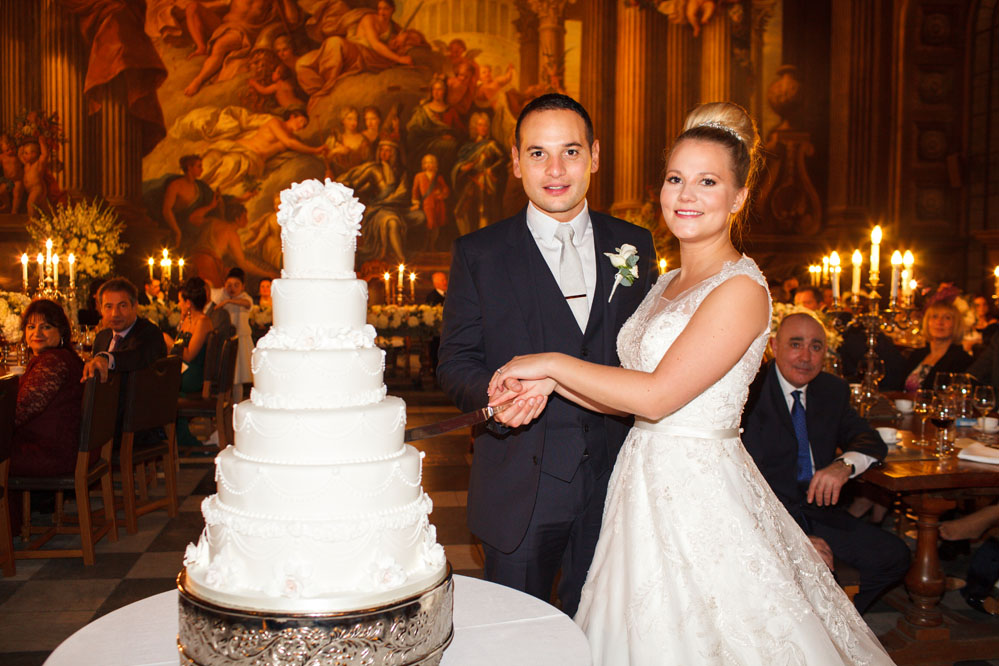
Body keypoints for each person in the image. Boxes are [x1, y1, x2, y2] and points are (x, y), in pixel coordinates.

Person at [485, 102, 893, 663]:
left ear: (739, 196)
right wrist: (550, 387)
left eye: (708, 181)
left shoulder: (741, 289)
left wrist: (552, 363)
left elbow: (658, 395)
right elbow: (630, 389)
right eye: (676, 179)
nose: (686, 195)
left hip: (700, 490)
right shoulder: (666, 279)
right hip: (641, 480)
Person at [438, 93, 657, 618]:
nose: (555, 170)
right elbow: (454, 361)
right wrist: (493, 392)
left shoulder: (635, 244)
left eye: (571, 151)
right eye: (538, 153)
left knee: (605, 633)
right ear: (515, 162)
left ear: (595, 156)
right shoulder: (479, 253)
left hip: (617, 482)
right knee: (519, 637)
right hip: (520, 487)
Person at [742, 313, 910, 613]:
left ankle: (835, 625)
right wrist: (795, 539)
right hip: (764, 514)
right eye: (796, 344)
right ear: (774, 347)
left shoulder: (831, 390)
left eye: (816, 346)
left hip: (819, 510)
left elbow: (870, 441)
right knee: (808, 568)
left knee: (894, 556)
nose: (806, 356)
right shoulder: (749, 393)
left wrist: (842, 465)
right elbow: (740, 477)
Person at [83, 278, 168, 384]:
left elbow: (136, 356)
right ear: (101, 310)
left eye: (122, 306)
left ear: (135, 306)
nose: (115, 314)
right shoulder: (102, 337)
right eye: (109, 307)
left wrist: (107, 359)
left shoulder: (150, 333)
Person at [170, 277, 213, 448]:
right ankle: (178, 439)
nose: (178, 304)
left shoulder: (203, 321)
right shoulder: (186, 321)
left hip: (195, 374)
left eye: (180, 301)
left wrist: (168, 342)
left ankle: (183, 442)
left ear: (188, 303)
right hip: (183, 370)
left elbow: (188, 355)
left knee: (166, 392)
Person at [902, 300, 971, 391]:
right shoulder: (917, 355)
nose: (939, 322)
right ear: (927, 322)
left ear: (956, 324)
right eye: (934, 317)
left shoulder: (962, 361)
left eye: (947, 318)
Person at [216, 267, 254, 398]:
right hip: (226, 340)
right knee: (228, 377)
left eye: (236, 285)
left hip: (242, 341)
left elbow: (247, 304)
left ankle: (237, 405)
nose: (232, 288)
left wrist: (228, 301)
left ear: (243, 286)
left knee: (238, 377)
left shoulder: (245, 298)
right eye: (229, 285)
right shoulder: (222, 297)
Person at [410, 153, 449, 251]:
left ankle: (432, 245)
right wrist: (416, 203)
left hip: (438, 204)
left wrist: (441, 194)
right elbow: (415, 191)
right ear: (423, 164)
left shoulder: (438, 176)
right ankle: (425, 245)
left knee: (436, 226)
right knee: (428, 224)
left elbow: (446, 189)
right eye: (426, 163)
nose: (429, 165)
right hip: (426, 204)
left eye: (431, 163)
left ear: (435, 165)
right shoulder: (419, 176)